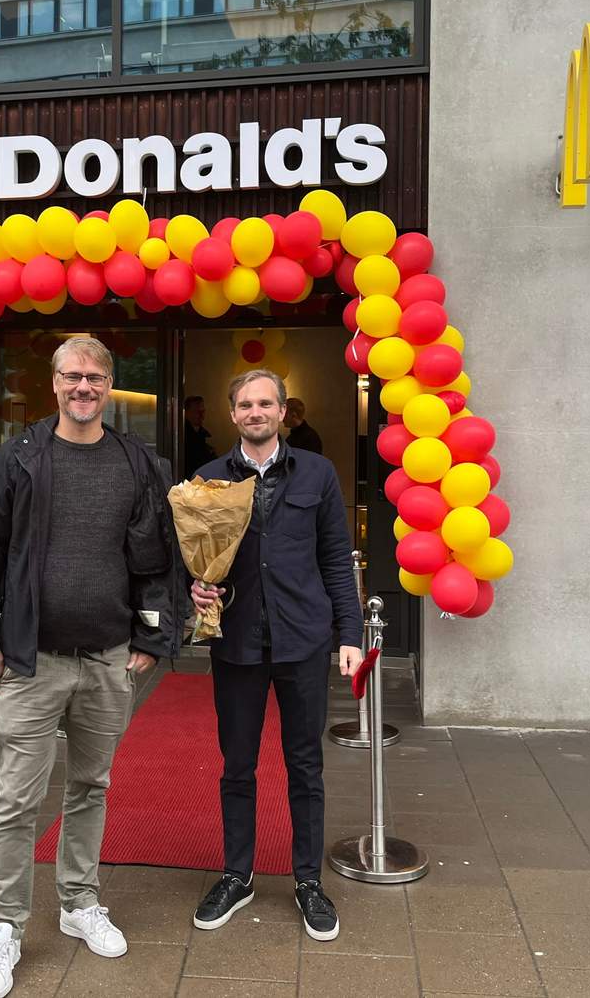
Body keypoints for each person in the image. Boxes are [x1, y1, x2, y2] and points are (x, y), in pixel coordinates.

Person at [0, 335, 185, 998]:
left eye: (94, 377)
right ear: (53, 383)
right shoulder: (20, 458)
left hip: (106, 657)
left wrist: (151, 637)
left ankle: (78, 900)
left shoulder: (135, 461)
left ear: (109, 384)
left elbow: (155, 560)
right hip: (32, 659)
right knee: (16, 800)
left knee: (91, 783)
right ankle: (5, 923)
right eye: (71, 376)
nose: (83, 387)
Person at [189, 369, 362, 941]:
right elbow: (190, 559)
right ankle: (237, 875)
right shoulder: (209, 480)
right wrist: (195, 587)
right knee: (237, 766)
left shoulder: (317, 472)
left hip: (303, 642)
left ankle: (308, 880)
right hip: (237, 642)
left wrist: (349, 634)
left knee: (305, 767)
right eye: (245, 404)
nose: (255, 412)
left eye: (266, 403)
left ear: (283, 412)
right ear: (232, 414)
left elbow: (337, 557)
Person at [183, 395, 217, 478]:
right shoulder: (182, 436)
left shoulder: (203, 434)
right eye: (197, 411)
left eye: (203, 411)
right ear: (186, 412)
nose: (201, 415)